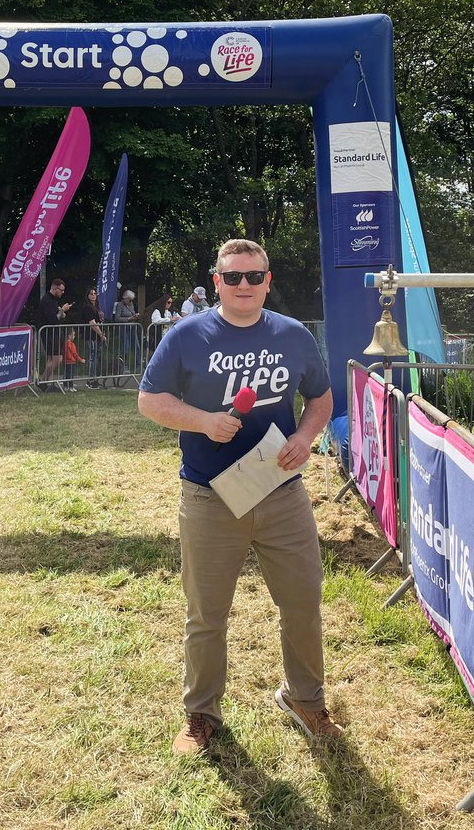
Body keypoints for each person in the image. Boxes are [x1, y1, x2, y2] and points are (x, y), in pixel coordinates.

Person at [137, 238, 340, 756]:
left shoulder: (293, 336)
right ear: (216, 282)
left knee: (302, 602)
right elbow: (150, 400)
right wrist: (203, 421)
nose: (244, 286)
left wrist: (304, 437)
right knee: (207, 614)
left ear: (268, 281)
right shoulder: (187, 334)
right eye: (233, 277)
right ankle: (201, 714)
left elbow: (320, 396)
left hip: (280, 491)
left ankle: (305, 700)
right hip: (209, 496)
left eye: (254, 277)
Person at [36, 278, 72, 385]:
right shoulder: (47, 301)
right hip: (49, 333)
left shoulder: (53, 301)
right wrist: (62, 310)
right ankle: (42, 380)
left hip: (54, 332)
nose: (62, 292)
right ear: (55, 288)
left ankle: (46, 382)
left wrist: (62, 314)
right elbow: (52, 319)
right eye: (61, 290)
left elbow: (57, 316)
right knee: (58, 358)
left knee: (52, 358)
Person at [80, 286, 107, 388]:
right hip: (90, 336)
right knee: (91, 358)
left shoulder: (97, 307)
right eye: (91, 294)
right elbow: (92, 323)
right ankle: (90, 380)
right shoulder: (87, 308)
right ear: (87, 296)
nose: (93, 296)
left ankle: (94, 378)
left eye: (94, 293)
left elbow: (99, 322)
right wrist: (101, 334)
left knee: (95, 358)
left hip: (97, 336)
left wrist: (102, 334)